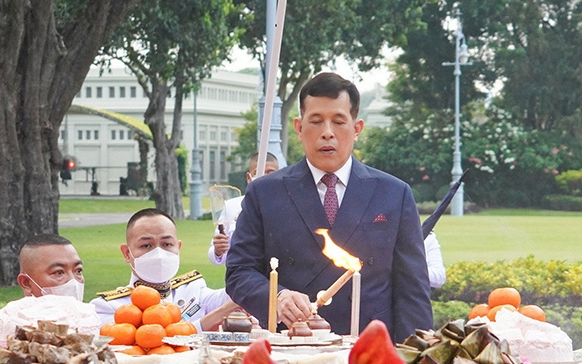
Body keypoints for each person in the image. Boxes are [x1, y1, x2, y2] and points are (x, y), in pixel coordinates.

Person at [225, 72, 432, 341]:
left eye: (338, 121)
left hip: (369, 347)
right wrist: (278, 297)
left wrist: (415, 356)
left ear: (357, 129)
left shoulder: (394, 193)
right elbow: (239, 272)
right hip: (292, 344)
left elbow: (412, 288)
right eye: (316, 121)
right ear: (299, 128)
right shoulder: (265, 192)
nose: (327, 133)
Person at [92, 208, 239, 332]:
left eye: (167, 244)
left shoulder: (193, 290)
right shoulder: (109, 307)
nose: (159, 254)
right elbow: (149, 340)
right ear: (126, 253)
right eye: (146, 246)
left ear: (178, 248)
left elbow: (239, 295)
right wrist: (216, 315)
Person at [0, 234, 99, 340]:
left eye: (78, 271)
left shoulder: (89, 319)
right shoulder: (12, 320)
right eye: (59, 272)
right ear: (26, 283)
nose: (73, 281)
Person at [208, 151, 279, 265]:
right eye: (258, 172)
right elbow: (216, 255)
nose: (264, 177)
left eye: (270, 173)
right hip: (242, 274)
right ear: (249, 177)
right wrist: (218, 250)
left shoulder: (287, 205)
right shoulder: (231, 207)